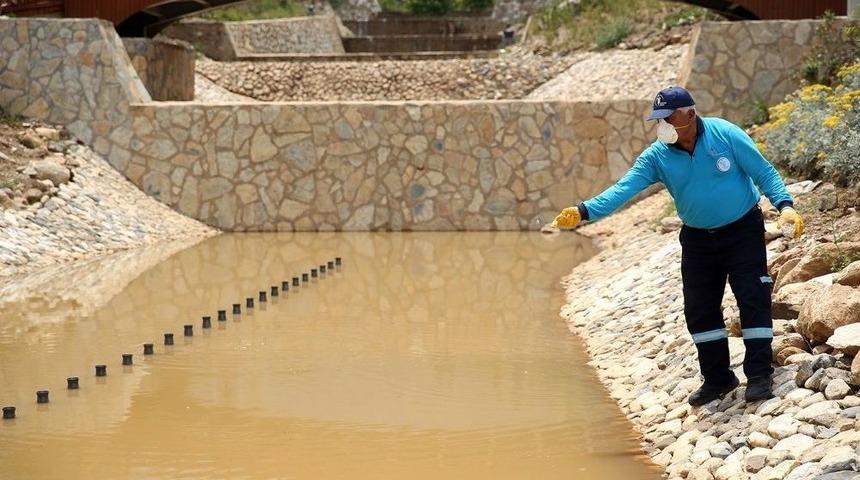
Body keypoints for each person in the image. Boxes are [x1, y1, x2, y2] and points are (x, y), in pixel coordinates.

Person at [552, 86, 805, 406]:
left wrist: (785, 205)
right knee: (699, 309)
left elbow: (763, 172)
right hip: (698, 240)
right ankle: (717, 378)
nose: (663, 126)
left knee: (752, 298)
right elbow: (622, 190)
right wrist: (584, 211)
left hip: (742, 230)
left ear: (690, 114)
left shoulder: (725, 134)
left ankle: (758, 375)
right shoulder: (657, 156)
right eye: (659, 120)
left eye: (668, 118)